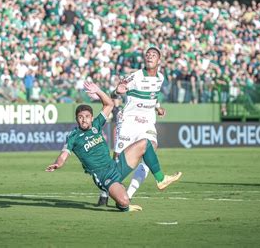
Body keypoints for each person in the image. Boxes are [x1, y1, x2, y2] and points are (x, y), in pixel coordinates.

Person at [46, 81, 182, 212]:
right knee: (124, 202)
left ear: (92, 118)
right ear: (77, 119)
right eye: (80, 117)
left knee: (145, 143)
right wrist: (57, 164)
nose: (84, 119)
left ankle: (161, 179)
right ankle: (121, 203)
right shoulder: (73, 136)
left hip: (115, 166)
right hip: (103, 176)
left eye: (87, 116)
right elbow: (63, 155)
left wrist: (98, 91)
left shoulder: (96, 125)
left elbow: (109, 104)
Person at [97, 46, 168, 206]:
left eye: (153, 55)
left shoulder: (160, 78)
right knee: (117, 159)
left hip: (147, 123)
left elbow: (154, 94)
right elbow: (119, 89)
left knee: (151, 149)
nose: (150, 56)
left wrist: (158, 107)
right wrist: (118, 90)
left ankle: (128, 194)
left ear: (159, 60)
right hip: (129, 121)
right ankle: (104, 192)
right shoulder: (135, 77)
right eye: (147, 54)